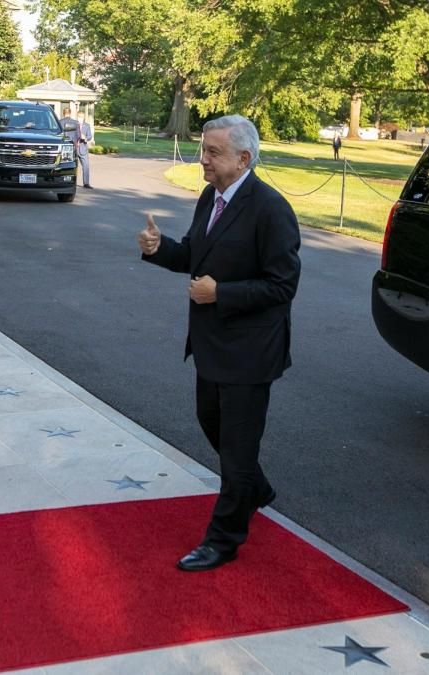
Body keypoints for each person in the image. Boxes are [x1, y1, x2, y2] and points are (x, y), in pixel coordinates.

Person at [136, 114, 301, 572]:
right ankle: (255, 488)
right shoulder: (212, 197)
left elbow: (282, 286)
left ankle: (224, 538)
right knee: (211, 422)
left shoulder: (271, 209)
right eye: (203, 149)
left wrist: (221, 293)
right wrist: (158, 248)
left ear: (243, 158)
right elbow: (192, 253)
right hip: (211, 344)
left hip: (250, 351)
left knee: (237, 446)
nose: (202, 159)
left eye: (213, 152)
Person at [77, 110, 94, 189]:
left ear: (84, 117)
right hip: (74, 148)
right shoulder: (74, 124)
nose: (80, 118)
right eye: (79, 117)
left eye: (82, 117)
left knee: (86, 166)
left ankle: (86, 183)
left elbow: (90, 136)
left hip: (83, 148)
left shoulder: (87, 125)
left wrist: (85, 138)